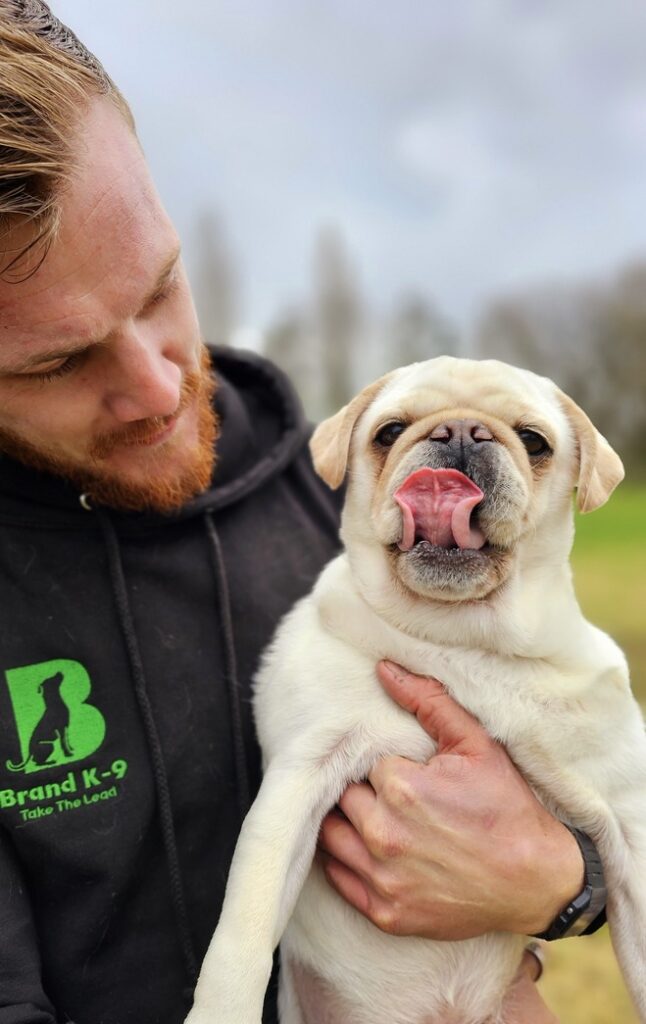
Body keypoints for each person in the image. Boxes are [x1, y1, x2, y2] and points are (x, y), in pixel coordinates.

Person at [0, 4, 602, 1022]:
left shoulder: (356, 499)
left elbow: (566, 768)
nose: (153, 387)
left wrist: (561, 879)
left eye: (159, 288)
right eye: (59, 361)